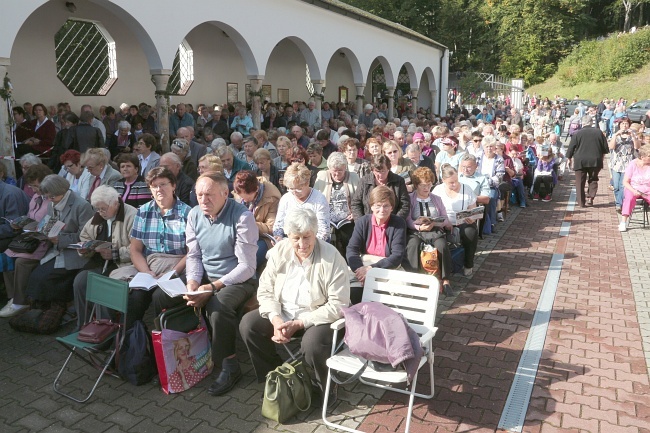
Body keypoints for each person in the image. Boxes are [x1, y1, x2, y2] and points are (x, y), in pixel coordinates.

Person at [153, 171, 259, 397]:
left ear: (225, 193)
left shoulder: (242, 217)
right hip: (205, 276)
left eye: (209, 195)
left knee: (217, 308)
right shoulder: (194, 215)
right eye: (199, 195)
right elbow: (193, 255)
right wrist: (192, 283)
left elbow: (247, 267)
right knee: (161, 296)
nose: (203, 200)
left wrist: (212, 288)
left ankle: (229, 365)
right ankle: (173, 356)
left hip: (237, 279)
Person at [239, 208, 350, 403]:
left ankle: (325, 389)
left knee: (312, 343)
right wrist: (275, 319)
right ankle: (276, 375)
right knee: (249, 324)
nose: (302, 244)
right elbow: (265, 290)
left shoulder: (331, 257)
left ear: (315, 233)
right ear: (288, 236)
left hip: (318, 317)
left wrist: (300, 323)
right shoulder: (279, 252)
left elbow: (338, 305)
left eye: (307, 237)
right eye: (296, 238)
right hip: (284, 313)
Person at [114, 167, 191, 326]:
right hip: (150, 267)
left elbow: (192, 252)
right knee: (135, 296)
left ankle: (163, 338)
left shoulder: (187, 213)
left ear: (173, 186)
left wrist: (172, 272)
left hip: (178, 267)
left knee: (159, 297)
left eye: (163, 184)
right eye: (154, 186)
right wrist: (147, 272)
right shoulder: (143, 212)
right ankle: (131, 340)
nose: (159, 189)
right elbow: (135, 249)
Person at [23, 175, 95, 316]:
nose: (49, 200)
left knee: (47, 277)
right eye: (47, 197)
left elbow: (86, 235)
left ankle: (53, 309)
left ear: (61, 192)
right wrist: (41, 231)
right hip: (56, 249)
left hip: (74, 252)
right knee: (36, 275)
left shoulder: (82, 205)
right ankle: (43, 308)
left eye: (52, 197)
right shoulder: (52, 203)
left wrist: (61, 239)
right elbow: (50, 223)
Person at [72, 186, 137, 329]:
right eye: (97, 209)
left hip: (122, 265)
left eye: (103, 208)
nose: (100, 212)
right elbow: (84, 236)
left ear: (115, 203)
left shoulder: (132, 215)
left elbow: (137, 248)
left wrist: (116, 253)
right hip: (99, 262)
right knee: (80, 282)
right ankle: (83, 324)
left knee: (102, 287)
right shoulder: (98, 216)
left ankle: (104, 330)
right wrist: (85, 248)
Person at [1, 164, 52, 317]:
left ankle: (20, 301)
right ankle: (13, 296)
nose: (34, 190)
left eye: (36, 186)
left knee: (21, 261)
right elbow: (30, 216)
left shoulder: (51, 198)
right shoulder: (36, 197)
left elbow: (51, 224)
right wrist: (20, 223)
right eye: (32, 186)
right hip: (31, 236)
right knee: (8, 254)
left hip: (44, 239)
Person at [347, 186, 406, 304]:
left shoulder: (399, 223)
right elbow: (351, 249)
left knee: (399, 293)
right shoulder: (363, 221)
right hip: (364, 264)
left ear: (392, 207)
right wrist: (360, 271)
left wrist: (371, 270)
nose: (382, 209)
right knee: (351, 291)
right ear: (372, 206)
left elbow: (397, 256)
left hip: (387, 266)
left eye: (386, 205)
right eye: (378, 205)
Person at [402, 167, 454, 293]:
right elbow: (408, 219)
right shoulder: (410, 198)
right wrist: (419, 226)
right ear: (416, 185)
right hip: (416, 231)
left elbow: (445, 218)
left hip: (434, 230)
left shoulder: (436, 198)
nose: (426, 188)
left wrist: (436, 223)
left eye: (429, 185)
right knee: (413, 245)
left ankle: (446, 279)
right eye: (422, 185)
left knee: (442, 245)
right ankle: (413, 278)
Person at [433, 164, 479, 277]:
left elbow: (474, 209)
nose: (454, 184)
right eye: (451, 182)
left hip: (462, 222)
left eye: (456, 181)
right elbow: (433, 211)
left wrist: (471, 217)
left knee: (470, 232)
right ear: (443, 180)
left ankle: (468, 264)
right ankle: (441, 267)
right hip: (443, 223)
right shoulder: (437, 190)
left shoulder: (466, 189)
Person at [313, 152, 359, 256]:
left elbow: (360, 199)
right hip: (327, 220)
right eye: (334, 171)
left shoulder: (354, 177)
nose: (337, 174)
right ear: (329, 169)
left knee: (348, 237)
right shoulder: (322, 176)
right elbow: (315, 198)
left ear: (345, 168)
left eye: (340, 171)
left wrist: (355, 213)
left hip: (348, 220)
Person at [232, 170, 281, 267]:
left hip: (263, 238)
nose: (244, 200)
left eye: (247, 198)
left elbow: (271, 228)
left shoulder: (272, 198)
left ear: (256, 190)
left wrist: (248, 222)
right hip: (240, 233)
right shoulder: (240, 189)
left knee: (250, 257)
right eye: (241, 197)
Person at [273, 164, 330, 241]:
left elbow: (324, 231)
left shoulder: (319, 199)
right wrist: (278, 236)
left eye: (298, 189)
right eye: (291, 189)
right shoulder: (286, 198)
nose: (294, 192)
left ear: (307, 183)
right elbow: (278, 224)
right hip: (290, 241)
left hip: (314, 242)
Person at [566, 115, 609, 207]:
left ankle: (581, 202)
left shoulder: (577, 133)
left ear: (582, 123)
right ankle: (590, 196)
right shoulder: (599, 132)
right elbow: (605, 148)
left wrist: (568, 158)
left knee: (579, 182)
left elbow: (571, 147)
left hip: (580, 160)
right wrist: (602, 157)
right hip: (595, 160)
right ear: (591, 122)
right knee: (593, 179)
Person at [351, 154, 410, 220]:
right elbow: (356, 204)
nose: (380, 175)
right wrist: (361, 223)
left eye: (383, 171)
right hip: (368, 223)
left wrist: (396, 222)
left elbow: (405, 205)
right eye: (377, 171)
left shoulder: (398, 181)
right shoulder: (364, 181)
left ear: (388, 169)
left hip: (393, 223)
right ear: (372, 170)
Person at [609, 117, 641, 212]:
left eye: (626, 123)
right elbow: (611, 147)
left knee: (623, 185)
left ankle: (619, 204)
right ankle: (619, 202)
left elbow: (637, 147)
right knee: (616, 186)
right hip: (616, 164)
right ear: (619, 125)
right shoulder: (617, 135)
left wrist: (634, 136)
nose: (624, 125)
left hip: (627, 164)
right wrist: (615, 135)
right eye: (622, 124)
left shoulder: (632, 136)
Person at [619, 144, 650, 231]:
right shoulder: (633, 164)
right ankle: (623, 222)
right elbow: (625, 182)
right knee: (629, 198)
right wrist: (633, 190)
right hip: (633, 188)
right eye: (649, 156)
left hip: (647, 190)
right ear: (642, 157)